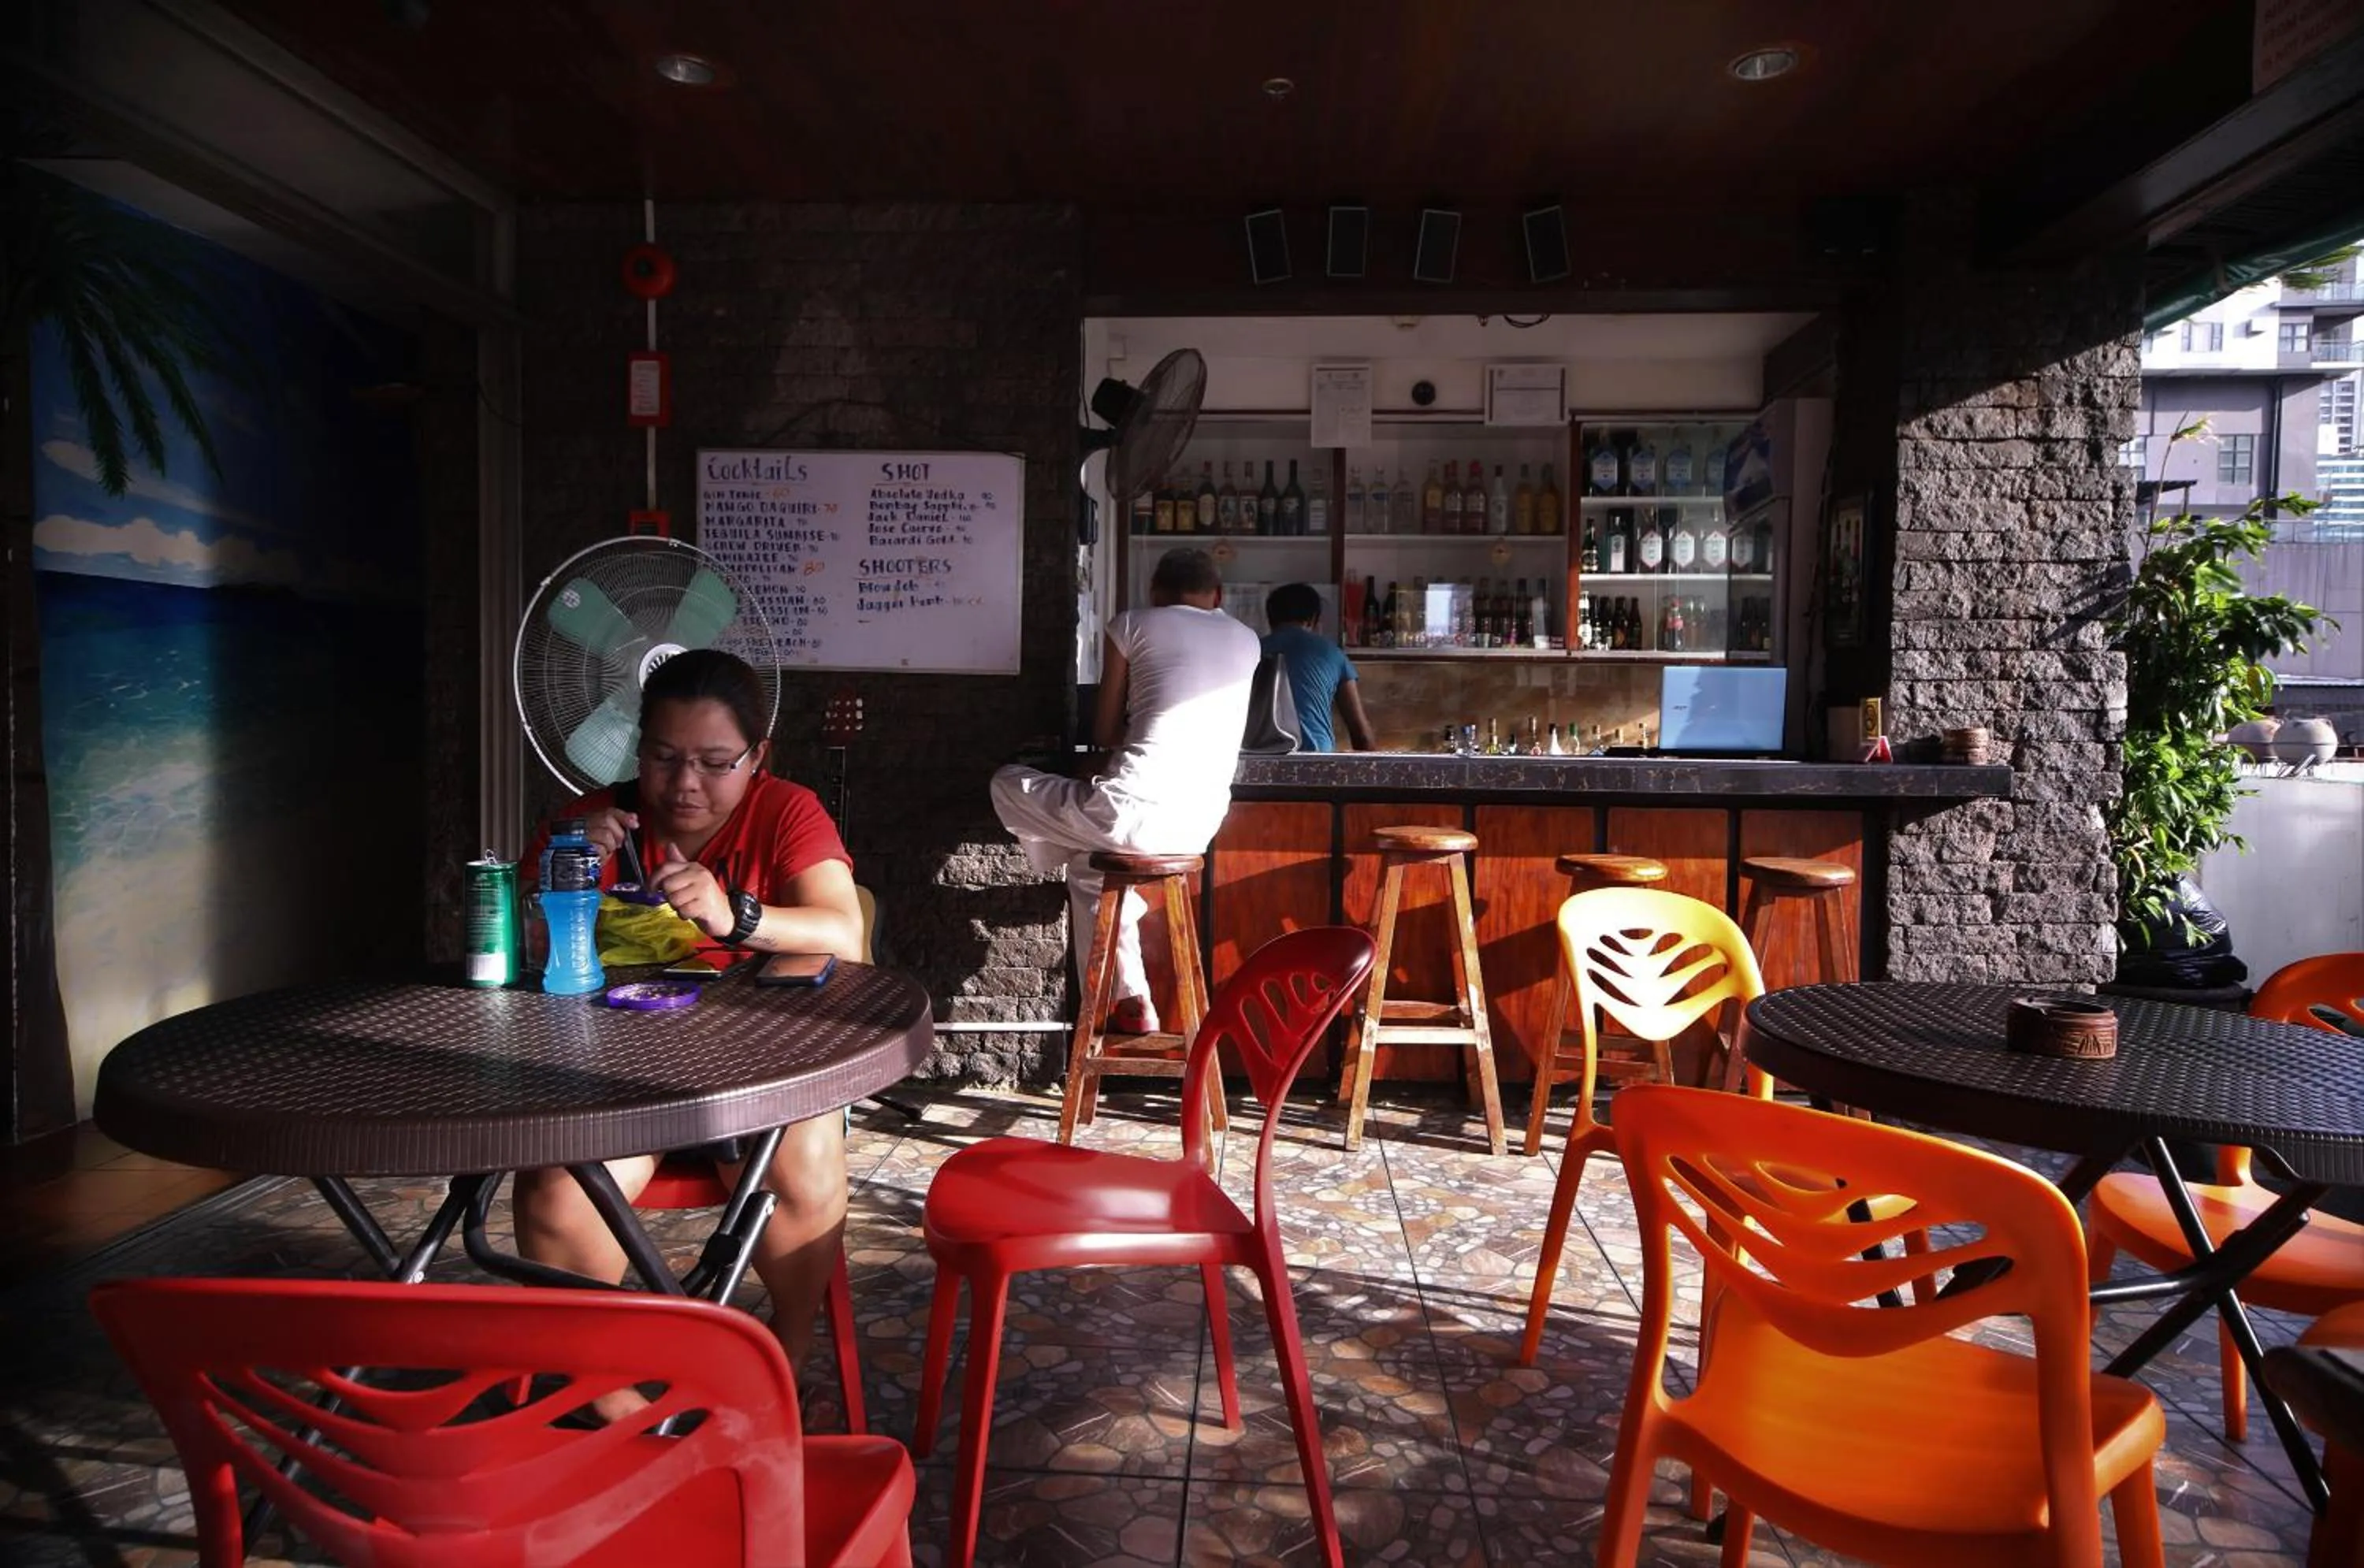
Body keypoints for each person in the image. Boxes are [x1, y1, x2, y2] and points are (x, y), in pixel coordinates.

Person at [515, 649, 863, 1407]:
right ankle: (608, 1395)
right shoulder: (585, 829)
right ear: (635, 750)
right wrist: (563, 878)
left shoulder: (785, 811)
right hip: (618, 1077)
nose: (685, 785)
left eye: (714, 762)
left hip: (756, 1072)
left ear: (756, 757)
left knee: (800, 1155)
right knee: (557, 1184)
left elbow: (846, 934)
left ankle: (784, 1357)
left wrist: (735, 914)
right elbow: (525, 959)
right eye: (664, 758)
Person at [991, 548, 1259, 1033]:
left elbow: (1106, 730)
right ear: (1217, 596)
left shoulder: (1132, 623)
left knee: (1007, 782)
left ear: (1155, 593)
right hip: (1199, 825)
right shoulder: (1247, 639)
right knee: (1088, 874)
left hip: (1127, 811)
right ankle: (1132, 999)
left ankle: (1081, 843)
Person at [1262, 581, 1376, 752]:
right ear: (1314, 619)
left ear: (1270, 619)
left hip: (1259, 761)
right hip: (1316, 762)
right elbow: (1361, 736)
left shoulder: (1252, 649)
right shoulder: (1332, 653)